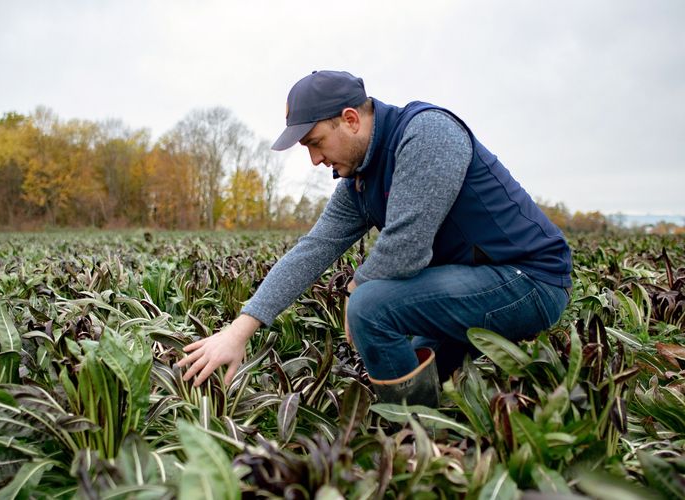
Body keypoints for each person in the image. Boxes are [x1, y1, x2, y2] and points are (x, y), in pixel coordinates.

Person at [178, 70, 572, 406]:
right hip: (471, 283)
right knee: (415, 358)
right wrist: (238, 331)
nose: (314, 160)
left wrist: (354, 290)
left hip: (529, 281)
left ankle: (416, 439)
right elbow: (312, 250)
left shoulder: (428, 133)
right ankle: (442, 411)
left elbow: (406, 249)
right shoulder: (359, 181)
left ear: (350, 119)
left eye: (315, 142)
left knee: (370, 307)